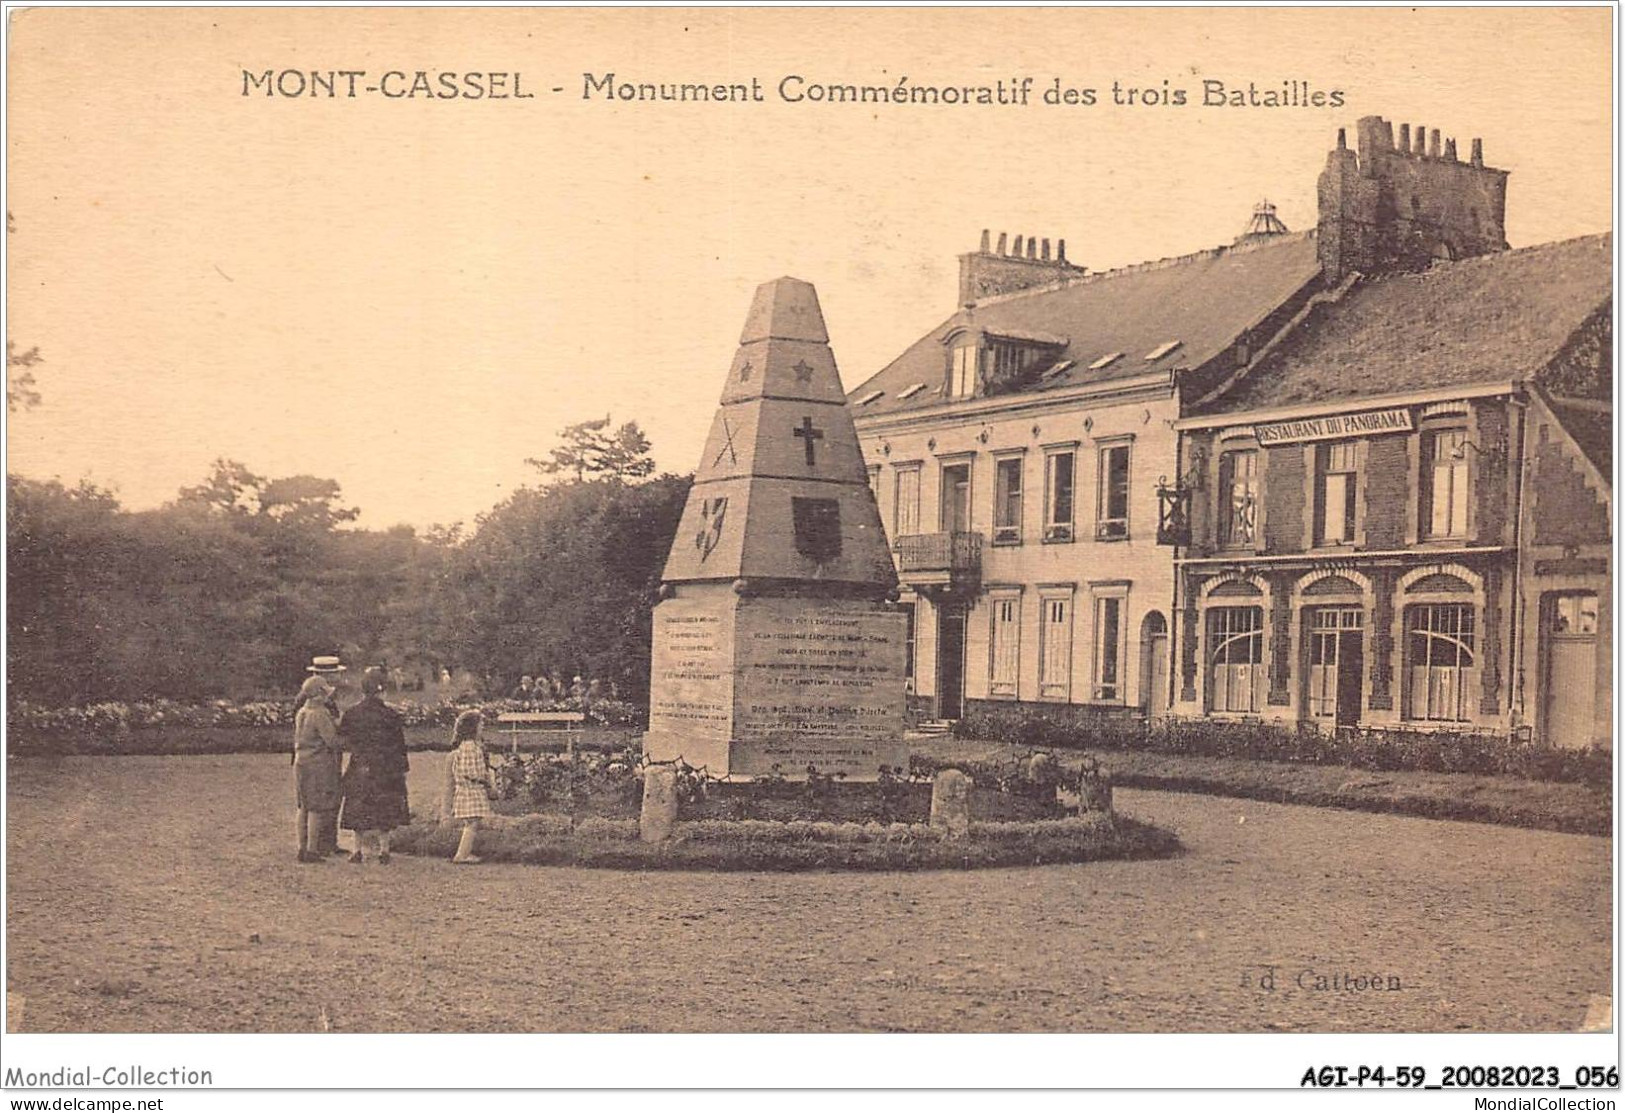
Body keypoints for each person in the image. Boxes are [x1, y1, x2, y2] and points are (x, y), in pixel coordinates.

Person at [338, 667, 410, 864]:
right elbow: (399, 745)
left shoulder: (352, 714)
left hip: (361, 765)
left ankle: (356, 850)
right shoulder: (391, 715)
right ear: (382, 691)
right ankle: (384, 850)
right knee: (384, 808)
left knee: (358, 806)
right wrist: (402, 769)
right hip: (386, 768)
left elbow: (344, 739)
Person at [292, 658, 346, 863]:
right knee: (317, 807)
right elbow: (332, 741)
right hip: (318, 764)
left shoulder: (302, 712)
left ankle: (302, 847)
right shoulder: (320, 713)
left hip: (301, 761)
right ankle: (313, 850)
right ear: (320, 694)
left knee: (303, 806)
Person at [445, 709, 495, 864]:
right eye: (480, 725)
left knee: (471, 823)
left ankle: (464, 852)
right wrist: (486, 780)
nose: (482, 728)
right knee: (472, 823)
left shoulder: (467, 746)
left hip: (467, 789)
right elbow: (471, 772)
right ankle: (462, 855)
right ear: (472, 728)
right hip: (471, 789)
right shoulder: (470, 748)